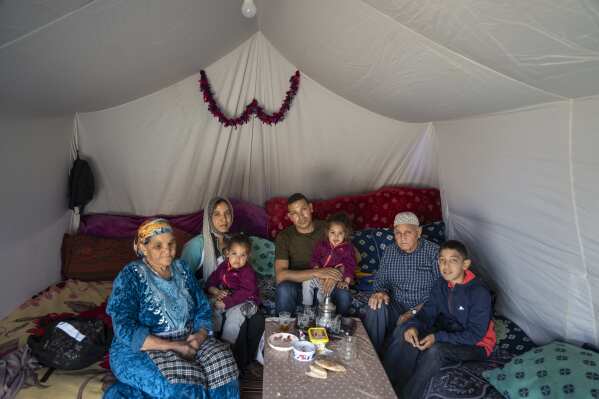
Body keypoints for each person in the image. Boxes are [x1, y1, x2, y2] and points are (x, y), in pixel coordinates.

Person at [104, 219, 239, 399]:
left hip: (188, 338)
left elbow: (202, 307)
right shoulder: (131, 274)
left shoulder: (181, 268)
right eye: (158, 246)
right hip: (144, 347)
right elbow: (123, 327)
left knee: (224, 363)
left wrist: (199, 337)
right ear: (144, 249)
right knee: (187, 385)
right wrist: (174, 347)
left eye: (171, 243)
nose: (167, 250)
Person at [383, 240, 496, 398]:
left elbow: (475, 334)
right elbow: (428, 312)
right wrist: (413, 326)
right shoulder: (441, 284)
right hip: (448, 329)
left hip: (477, 345)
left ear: (465, 264)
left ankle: (407, 395)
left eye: (453, 261)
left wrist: (437, 337)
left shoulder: (478, 292)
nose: (446, 266)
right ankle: (385, 383)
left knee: (436, 351)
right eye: (442, 260)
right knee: (406, 332)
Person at [363, 211, 440, 355]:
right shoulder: (391, 251)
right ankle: (370, 355)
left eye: (408, 232)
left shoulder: (434, 253)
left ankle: (389, 369)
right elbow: (381, 280)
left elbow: (441, 292)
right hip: (396, 303)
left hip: (422, 308)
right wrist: (381, 292)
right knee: (375, 306)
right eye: (398, 233)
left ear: (418, 232)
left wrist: (412, 312)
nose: (402, 237)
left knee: (406, 331)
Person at [274, 193, 351, 316]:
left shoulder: (328, 228)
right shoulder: (284, 236)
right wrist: (316, 272)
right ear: (290, 217)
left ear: (310, 208)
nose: (300, 216)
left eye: (303, 210)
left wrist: (335, 274)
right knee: (284, 289)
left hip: (327, 284)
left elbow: (353, 255)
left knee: (344, 294)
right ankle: (285, 331)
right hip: (298, 287)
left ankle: (335, 332)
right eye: (294, 213)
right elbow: (280, 276)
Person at [205, 234, 260, 345]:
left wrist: (226, 302)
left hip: (248, 301)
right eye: (234, 253)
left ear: (248, 257)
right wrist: (216, 291)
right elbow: (212, 280)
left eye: (242, 255)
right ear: (227, 253)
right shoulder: (224, 266)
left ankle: (227, 344)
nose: (237, 259)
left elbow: (246, 292)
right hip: (230, 297)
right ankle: (212, 337)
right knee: (213, 306)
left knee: (234, 316)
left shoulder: (247, 272)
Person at [302, 212, 356, 309]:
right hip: (320, 275)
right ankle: (307, 307)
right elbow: (314, 258)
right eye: (332, 232)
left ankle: (321, 309)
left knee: (323, 291)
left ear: (345, 234)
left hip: (334, 278)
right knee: (306, 282)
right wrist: (318, 271)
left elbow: (350, 266)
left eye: (340, 233)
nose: (336, 236)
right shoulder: (322, 245)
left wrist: (346, 282)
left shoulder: (348, 249)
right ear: (327, 232)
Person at [181, 197, 233, 282]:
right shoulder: (197, 245)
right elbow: (182, 281)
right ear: (208, 217)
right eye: (217, 214)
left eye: (227, 213)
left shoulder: (232, 242)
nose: (223, 219)